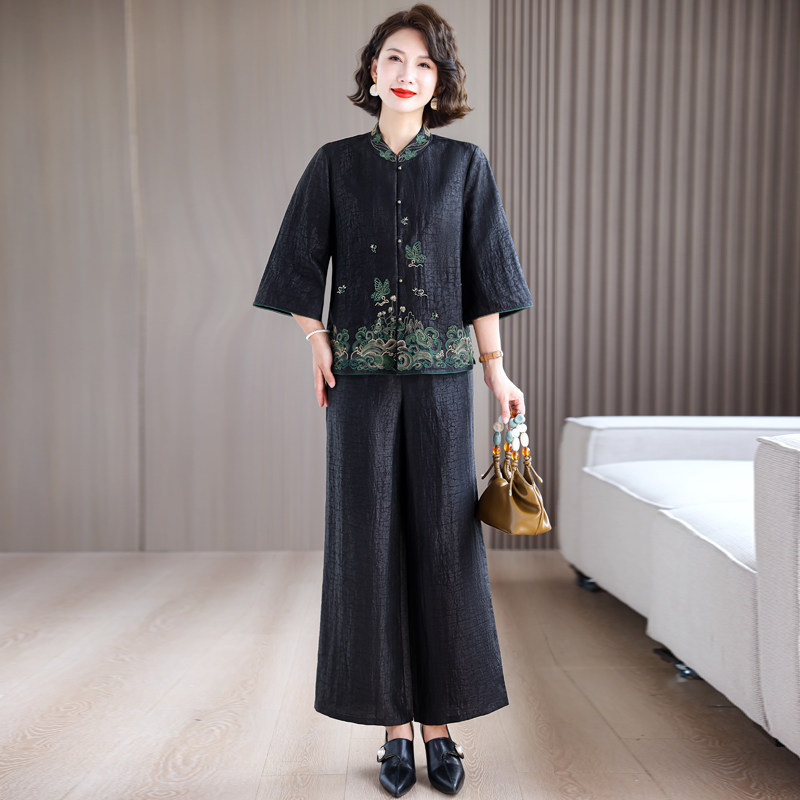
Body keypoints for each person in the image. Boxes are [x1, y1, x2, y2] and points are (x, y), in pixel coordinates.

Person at [253, 5, 532, 796]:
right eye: (395, 59)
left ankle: (439, 728)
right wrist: (317, 339)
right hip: (361, 386)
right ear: (372, 72)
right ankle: (391, 733)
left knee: (444, 547)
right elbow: (297, 265)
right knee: (367, 544)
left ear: (440, 84)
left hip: (445, 386)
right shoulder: (335, 166)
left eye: (425, 64)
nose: (408, 74)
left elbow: (484, 278)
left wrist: (496, 372)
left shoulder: (466, 168)